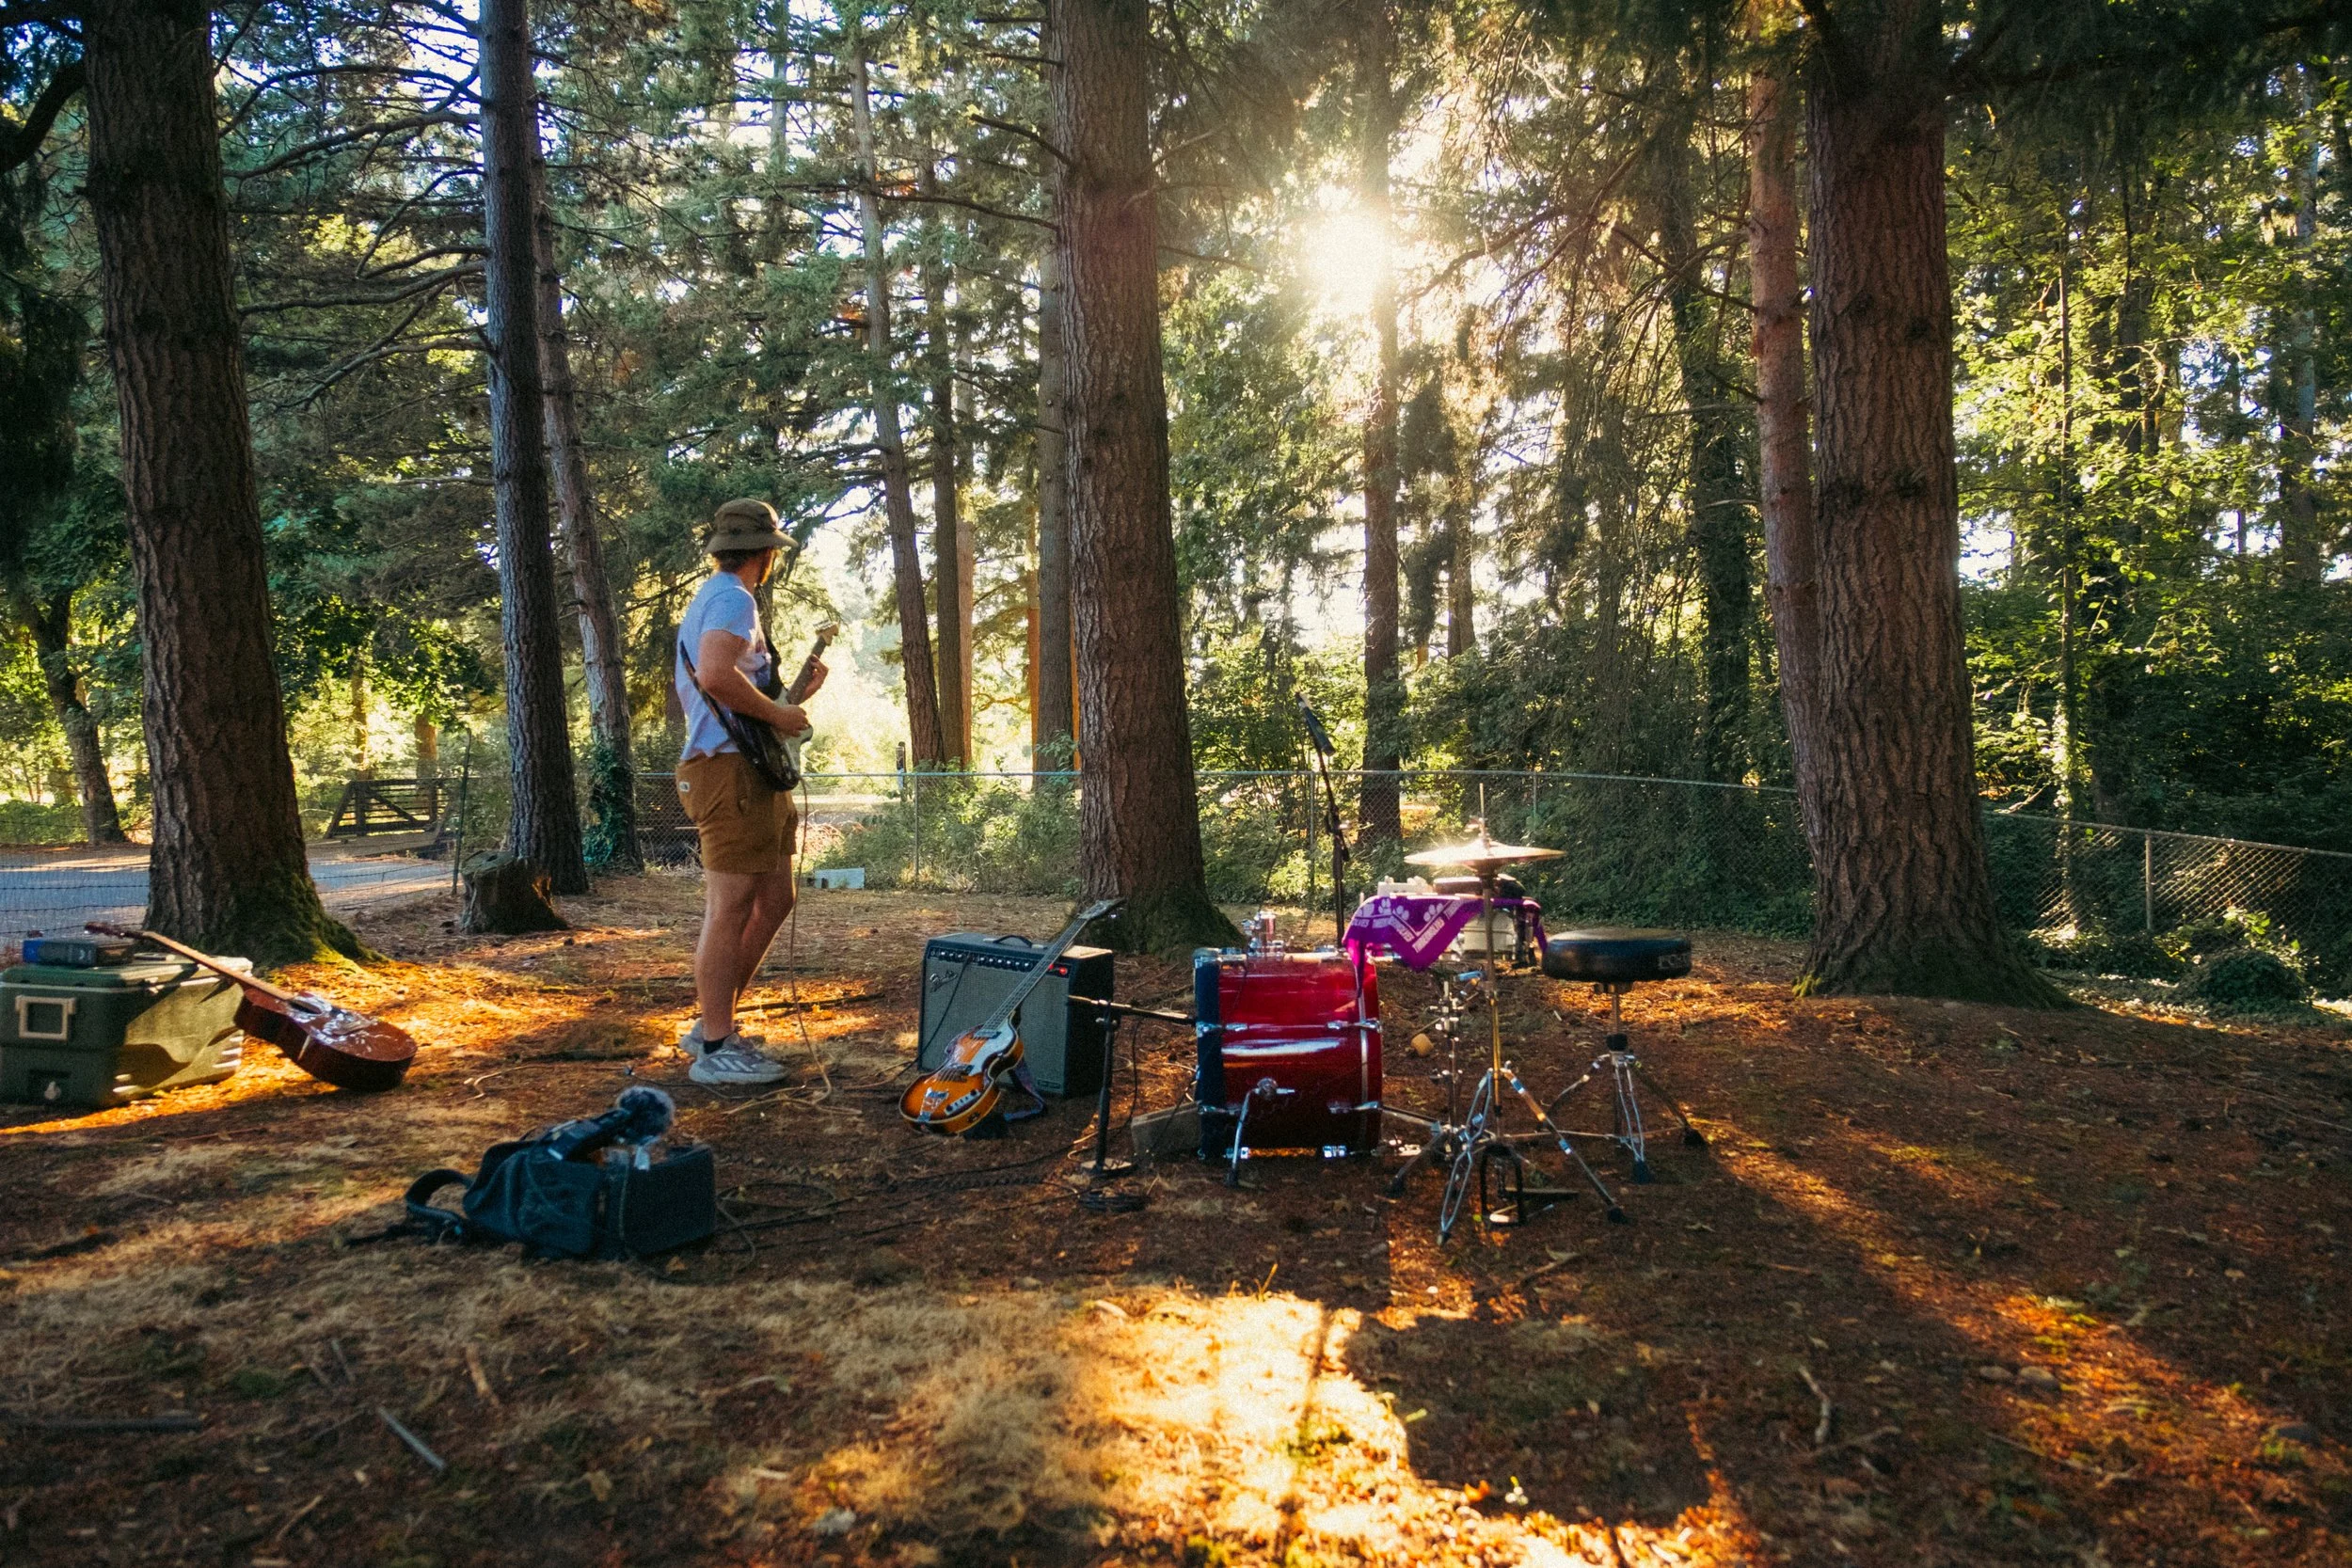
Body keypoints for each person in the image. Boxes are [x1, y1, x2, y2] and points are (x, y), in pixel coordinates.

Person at [673, 499, 826, 1086]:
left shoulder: (723, 598)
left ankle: (716, 1022)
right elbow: (714, 676)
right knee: (729, 906)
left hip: (746, 769)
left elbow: (732, 688)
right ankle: (714, 1046)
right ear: (766, 554)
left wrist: (790, 696)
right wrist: (782, 717)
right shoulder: (733, 597)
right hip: (727, 771)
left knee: (776, 897)